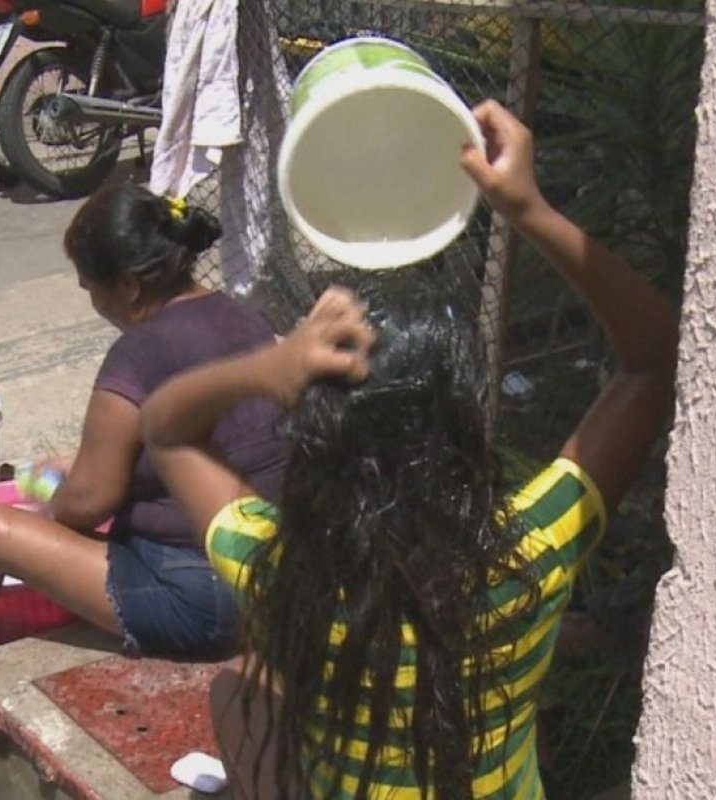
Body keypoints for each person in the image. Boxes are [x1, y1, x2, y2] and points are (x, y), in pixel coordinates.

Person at [139, 99, 678, 798]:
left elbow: (164, 427)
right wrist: (528, 208)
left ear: (318, 437)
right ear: (461, 428)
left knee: (240, 685)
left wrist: (266, 371)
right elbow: (656, 362)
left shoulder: (277, 571)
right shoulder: (532, 558)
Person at [0, 184, 287, 663]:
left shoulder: (139, 355)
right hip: (282, 577)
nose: (94, 305)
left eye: (90, 289)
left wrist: (46, 519)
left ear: (129, 286)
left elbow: (89, 500)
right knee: (65, 469)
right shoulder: (245, 317)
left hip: (207, 604)